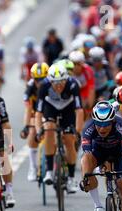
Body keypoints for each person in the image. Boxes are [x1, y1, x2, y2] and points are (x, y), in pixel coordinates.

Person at [35, 63, 83, 193]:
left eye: (61, 81)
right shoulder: (44, 86)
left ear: (66, 79)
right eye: (55, 83)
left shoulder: (73, 84)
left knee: (69, 140)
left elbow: (79, 111)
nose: (58, 85)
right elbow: (38, 113)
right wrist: (39, 129)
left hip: (68, 109)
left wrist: (77, 131)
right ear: (50, 81)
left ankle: (71, 178)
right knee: (49, 129)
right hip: (50, 108)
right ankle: (49, 171)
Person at [21, 62, 49, 181]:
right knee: (32, 134)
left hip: (49, 111)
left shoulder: (51, 85)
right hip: (35, 112)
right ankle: (33, 167)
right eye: (37, 79)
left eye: (42, 79)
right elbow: (28, 108)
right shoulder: (30, 87)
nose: (40, 82)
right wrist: (26, 126)